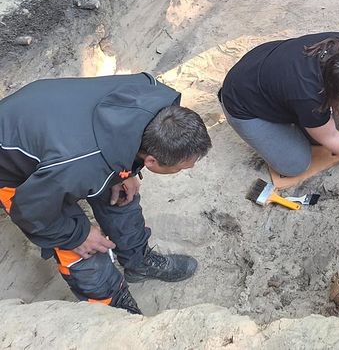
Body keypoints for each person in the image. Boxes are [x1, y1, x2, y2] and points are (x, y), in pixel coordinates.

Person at [0, 73, 212, 315]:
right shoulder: (78, 165)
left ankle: (137, 262)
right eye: (181, 167)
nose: (190, 168)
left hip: (60, 137)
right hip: (13, 168)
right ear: (152, 160)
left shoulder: (156, 97)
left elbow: (120, 144)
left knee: (122, 194)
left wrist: (128, 168)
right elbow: (29, 210)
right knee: (82, 248)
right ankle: (111, 305)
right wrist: (77, 235)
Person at [218, 32, 339, 189]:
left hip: (267, 70)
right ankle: (277, 124)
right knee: (295, 164)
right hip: (243, 102)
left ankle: (291, 114)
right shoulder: (308, 97)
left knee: (326, 135)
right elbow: (329, 136)